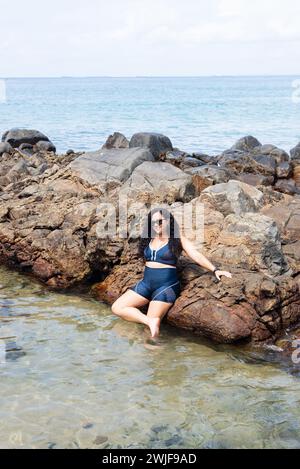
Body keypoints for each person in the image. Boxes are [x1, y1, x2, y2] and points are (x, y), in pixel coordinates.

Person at [111, 207, 232, 339]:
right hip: (145, 285)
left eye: (160, 222)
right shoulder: (149, 238)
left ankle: (156, 353)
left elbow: (195, 254)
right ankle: (148, 321)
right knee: (117, 307)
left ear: (169, 221)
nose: (156, 225)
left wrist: (215, 269)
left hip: (165, 288)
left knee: (149, 335)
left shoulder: (177, 239)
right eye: (153, 222)